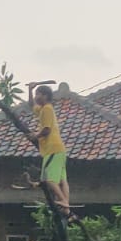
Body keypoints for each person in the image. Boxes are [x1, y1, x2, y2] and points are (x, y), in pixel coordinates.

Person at [32, 85, 71, 218]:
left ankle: (64, 201)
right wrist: (30, 89)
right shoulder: (43, 109)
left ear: (45, 96)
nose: (35, 97)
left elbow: (46, 130)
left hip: (52, 149)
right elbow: (30, 106)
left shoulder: (47, 109)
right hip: (59, 149)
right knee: (62, 179)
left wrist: (34, 136)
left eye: (38, 94)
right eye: (35, 94)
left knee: (49, 180)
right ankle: (66, 208)